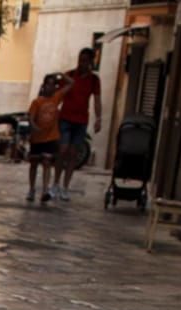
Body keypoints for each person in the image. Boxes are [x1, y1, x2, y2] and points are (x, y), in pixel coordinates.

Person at [52, 46, 103, 201]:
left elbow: (97, 100)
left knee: (73, 154)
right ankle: (55, 183)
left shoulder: (94, 80)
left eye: (85, 61)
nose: (81, 63)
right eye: (80, 60)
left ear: (90, 62)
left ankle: (66, 186)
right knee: (62, 150)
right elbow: (58, 95)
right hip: (65, 118)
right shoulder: (69, 76)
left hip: (81, 121)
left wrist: (99, 118)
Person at [26, 74, 66, 205]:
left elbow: (71, 84)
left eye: (53, 84)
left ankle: (45, 189)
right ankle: (31, 189)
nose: (51, 87)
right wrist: (34, 127)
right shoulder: (37, 102)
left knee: (47, 163)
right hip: (37, 138)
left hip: (50, 137)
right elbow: (31, 117)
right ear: (43, 86)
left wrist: (61, 75)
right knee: (34, 164)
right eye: (48, 84)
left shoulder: (56, 98)